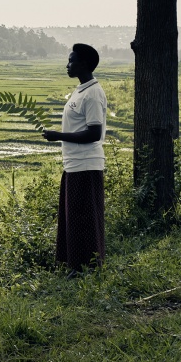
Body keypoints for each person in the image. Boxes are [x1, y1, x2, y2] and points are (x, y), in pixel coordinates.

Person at [41, 44, 107, 277]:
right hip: (74, 163)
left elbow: (94, 133)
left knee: (84, 217)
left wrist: (58, 136)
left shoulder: (93, 94)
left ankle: (85, 269)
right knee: (74, 217)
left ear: (85, 64)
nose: (67, 65)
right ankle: (76, 266)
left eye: (71, 61)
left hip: (86, 164)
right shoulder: (80, 90)